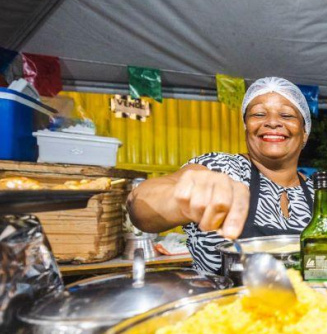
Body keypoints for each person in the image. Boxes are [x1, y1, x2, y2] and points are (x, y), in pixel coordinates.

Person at [127, 77, 314, 274]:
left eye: (286, 115)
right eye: (259, 114)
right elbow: (141, 204)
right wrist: (183, 197)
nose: (272, 122)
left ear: (304, 132)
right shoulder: (220, 168)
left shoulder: (318, 193)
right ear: (246, 128)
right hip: (224, 302)